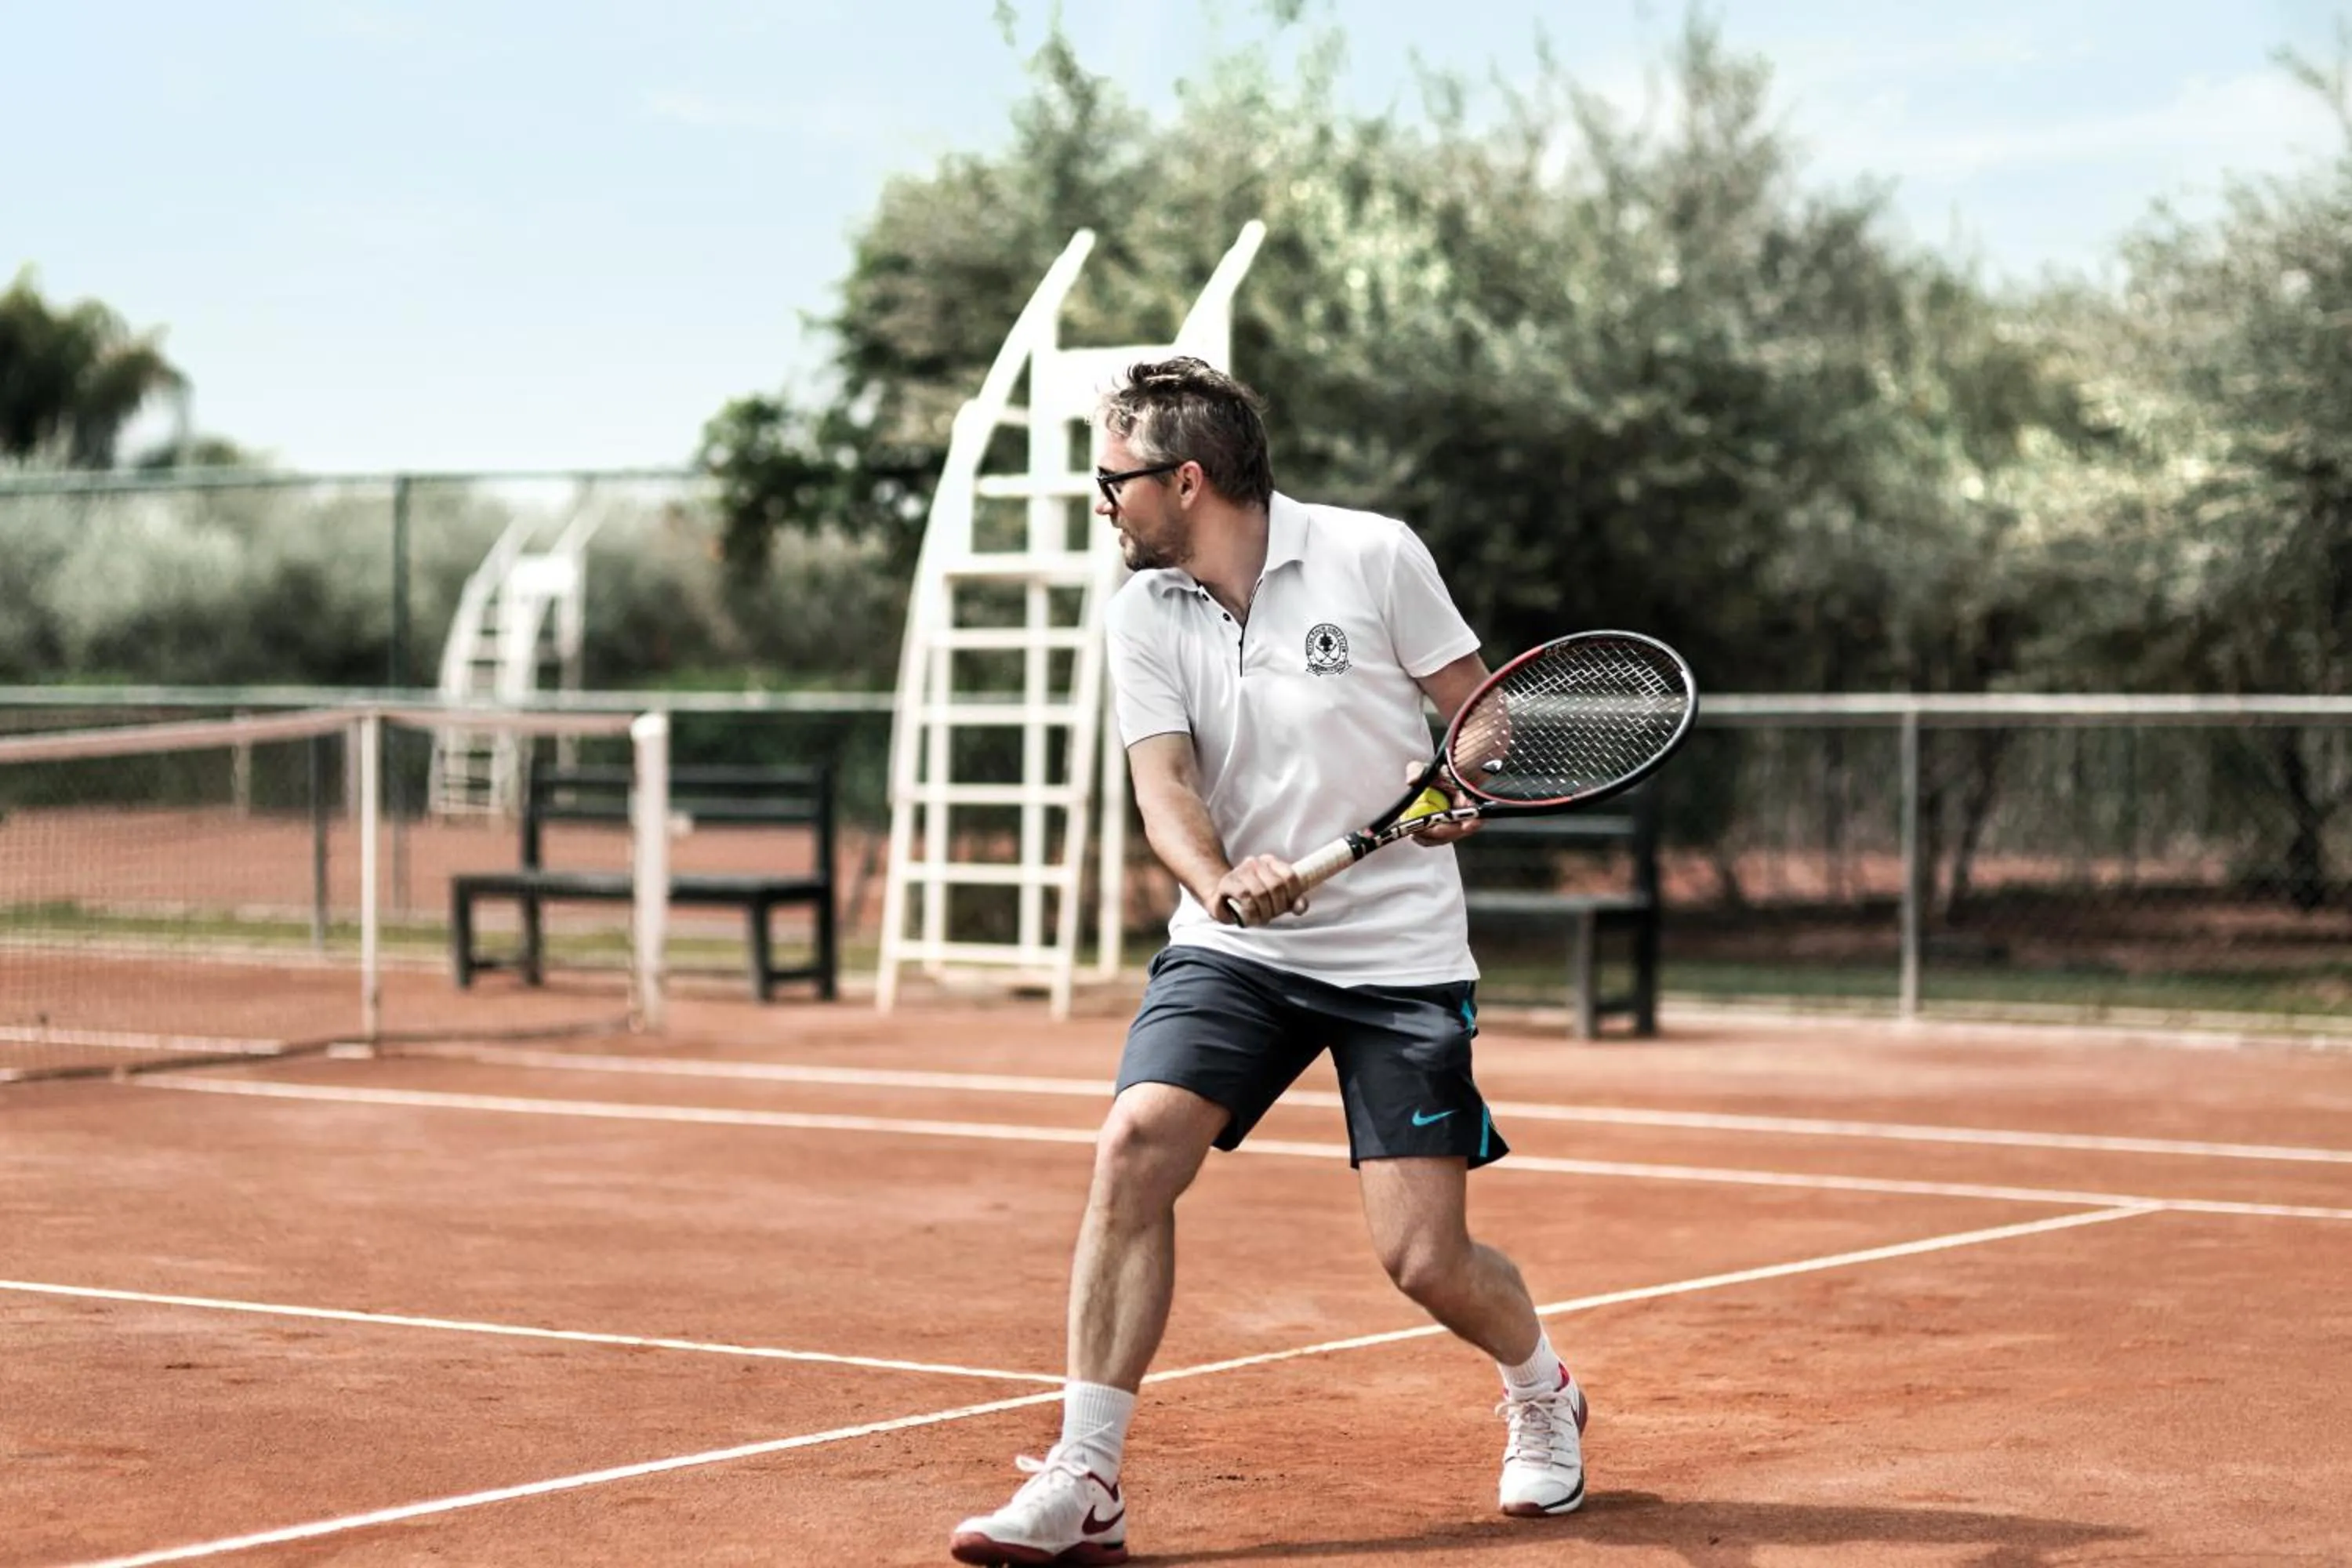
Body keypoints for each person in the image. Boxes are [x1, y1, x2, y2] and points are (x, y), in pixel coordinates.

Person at [949, 357, 1585, 1568]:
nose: (1103, 504)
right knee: (1137, 1143)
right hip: (1235, 952)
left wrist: (1461, 786)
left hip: (1398, 959)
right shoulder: (1140, 612)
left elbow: (1482, 715)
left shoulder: (1374, 556)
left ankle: (1543, 1387)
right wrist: (1218, 881)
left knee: (1423, 1261)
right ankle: (1086, 1476)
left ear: (1186, 480)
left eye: (1113, 480)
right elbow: (1164, 786)